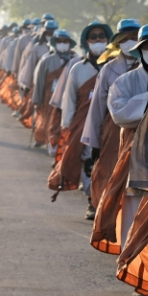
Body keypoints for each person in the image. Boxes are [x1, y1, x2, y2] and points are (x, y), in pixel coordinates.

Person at [93, 24, 148, 296]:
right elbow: (119, 114)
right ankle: (137, 277)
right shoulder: (125, 81)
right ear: (140, 51)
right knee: (135, 219)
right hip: (136, 157)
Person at [47, 21, 113, 213]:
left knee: (108, 160)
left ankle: (104, 200)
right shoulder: (77, 68)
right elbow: (69, 99)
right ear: (86, 42)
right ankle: (92, 200)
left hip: (110, 122)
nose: (98, 40)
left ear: (108, 40)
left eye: (101, 36)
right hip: (83, 124)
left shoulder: (115, 67)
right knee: (88, 159)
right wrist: (67, 126)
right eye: (93, 37)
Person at [81, 18, 141, 220]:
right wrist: (94, 142)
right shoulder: (108, 69)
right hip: (112, 130)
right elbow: (97, 108)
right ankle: (98, 207)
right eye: (126, 38)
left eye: (135, 37)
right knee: (107, 171)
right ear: (118, 42)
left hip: (142, 130)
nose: (130, 42)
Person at [30, 28, 76, 152]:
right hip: (49, 98)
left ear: (69, 43)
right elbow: (40, 82)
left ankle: (60, 146)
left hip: (68, 98)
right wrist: (37, 101)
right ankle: (49, 143)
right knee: (49, 121)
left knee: (64, 122)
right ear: (55, 43)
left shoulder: (75, 60)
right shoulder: (46, 60)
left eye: (65, 41)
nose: (62, 43)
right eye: (59, 41)